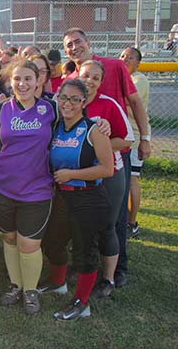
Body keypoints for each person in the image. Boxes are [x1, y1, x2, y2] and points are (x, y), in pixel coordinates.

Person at [63, 28, 151, 287]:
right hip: (83, 163)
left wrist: (145, 137)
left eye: (78, 41)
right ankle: (85, 265)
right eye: (69, 45)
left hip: (115, 155)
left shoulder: (114, 66)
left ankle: (117, 269)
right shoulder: (70, 80)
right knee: (83, 217)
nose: (74, 47)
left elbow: (135, 102)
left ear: (88, 42)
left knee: (115, 217)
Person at [0, 59, 57, 315]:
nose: (22, 84)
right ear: (10, 81)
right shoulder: (1, 108)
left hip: (37, 189)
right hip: (3, 187)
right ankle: (16, 285)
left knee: (29, 244)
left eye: (28, 78)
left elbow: (78, 120)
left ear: (38, 80)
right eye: (17, 79)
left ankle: (31, 291)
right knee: (9, 238)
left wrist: (101, 122)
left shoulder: (51, 108)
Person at [43, 79, 115, 320]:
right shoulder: (56, 127)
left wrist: (72, 174)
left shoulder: (94, 130)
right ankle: (58, 282)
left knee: (85, 250)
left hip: (88, 197)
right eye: (64, 97)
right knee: (53, 241)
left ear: (84, 103)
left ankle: (81, 303)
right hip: (62, 196)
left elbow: (107, 169)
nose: (68, 103)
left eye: (75, 99)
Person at [79, 60, 133, 298]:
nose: (89, 81)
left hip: (108, 175)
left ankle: (108, 278)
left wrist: (96, 146)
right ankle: (84, 270)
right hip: (79, 177)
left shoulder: (108, 104)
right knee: (82, 227)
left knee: (107, 227)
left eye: (95, 78)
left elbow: (127, 139)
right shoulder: (68, 102)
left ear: (101, 82)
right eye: (85, 75)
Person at [119, 47, 150, 239]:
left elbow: (127, 97)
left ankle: (131, 223)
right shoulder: (122, 78)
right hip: (122, 136)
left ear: (138, 63)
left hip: (135, 136)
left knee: (131, 180)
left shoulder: (139, 79)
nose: (125, 59)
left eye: (130, 57)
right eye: (122, 55)